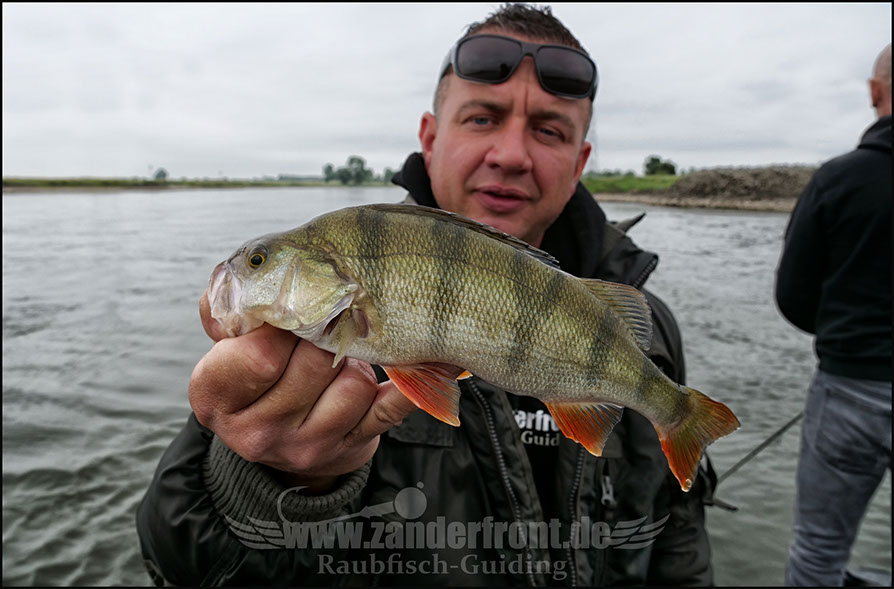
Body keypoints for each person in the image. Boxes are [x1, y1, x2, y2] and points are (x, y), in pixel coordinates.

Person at [136, 4, 721, 585]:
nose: (511, 155)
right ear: (430, 137)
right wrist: (274, 478)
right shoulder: (288, 350)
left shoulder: (648, 327)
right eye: (482, 119)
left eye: (549, 130)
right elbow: (182, 565)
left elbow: (680, 548)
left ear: (581, 162)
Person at [776, 43, 892, 587]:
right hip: (849, 378)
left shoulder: (838, 180)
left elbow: (794, 298)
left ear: (875, 91)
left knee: (819, 549)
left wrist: (847, 332)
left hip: (847, 389)